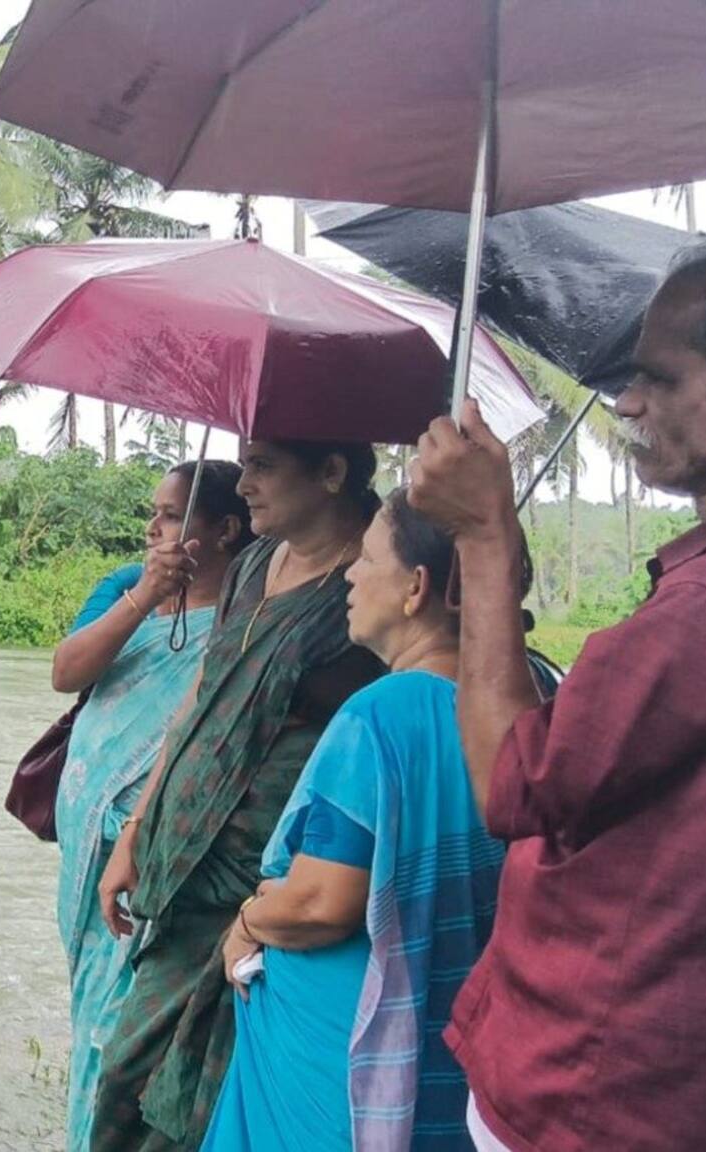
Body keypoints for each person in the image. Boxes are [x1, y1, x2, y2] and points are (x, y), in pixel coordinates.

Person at [411, 230, 706, 1151]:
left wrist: (485, 540)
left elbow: (513, 783)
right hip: (687, 1077)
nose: (627, 402)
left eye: (660, 377)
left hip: (594, 1090)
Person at [92, 440, 385, 1152]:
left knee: (209, 1102)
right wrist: (137, 827)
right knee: (126, 1082)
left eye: (263, 465)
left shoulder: (374, 584)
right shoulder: (256, 563)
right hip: (184, 870)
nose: (244, 482)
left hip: (271, 890)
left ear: (332, 471)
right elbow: (201, 699)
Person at [203, 490, 509, 1152]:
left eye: (367, 559)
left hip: (336, 1055)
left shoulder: (383, 713)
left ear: (416, 588)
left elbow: (322, 902)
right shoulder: (522, 709)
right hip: (449, 1040)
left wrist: (248, 922)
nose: (350, 575)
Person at [52, 461, 255, 1152]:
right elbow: (66, 672)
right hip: (88, 841)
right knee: (90, 1004)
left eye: (171, 515)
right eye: (155, 512)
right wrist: (146, 595)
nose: (152, 527)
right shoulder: (123, 586)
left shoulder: (245, 617)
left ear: (225, 530)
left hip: (152, 851)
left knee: (118, 1021)